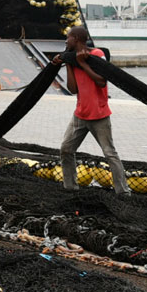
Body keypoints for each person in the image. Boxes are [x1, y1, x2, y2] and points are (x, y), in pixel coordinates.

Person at [52, 26, 130, 195]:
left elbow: (102, 81)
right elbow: (73, 89)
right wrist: (69, 64)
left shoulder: (97, 55)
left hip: (99, 115)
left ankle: (123, 192)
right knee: (66, 149)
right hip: (80, 114)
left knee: (110, 153)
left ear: (77, 39)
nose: (66, 41)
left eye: (68, 38)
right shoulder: (72, 59)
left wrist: (81, 64)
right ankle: (70, 187)